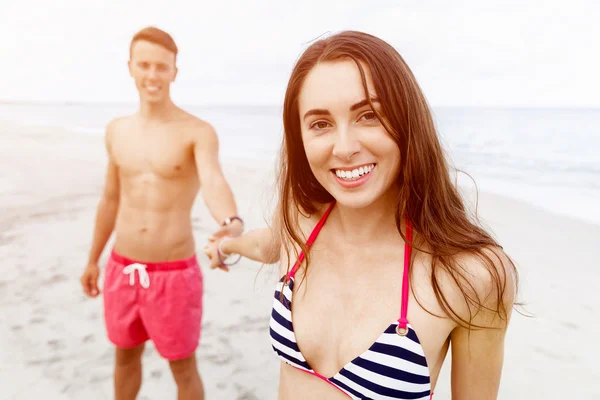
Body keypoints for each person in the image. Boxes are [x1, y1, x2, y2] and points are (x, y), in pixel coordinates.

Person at [205, 31, 518, 400]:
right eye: (320, 123)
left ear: (407, 120)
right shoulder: (300, 220)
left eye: (368, 115)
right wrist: (228, 245)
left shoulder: (473, 275)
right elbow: (268, 243)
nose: (345, 148)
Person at [79, 26, 243, 400]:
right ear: (131, 68)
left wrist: (230, 224)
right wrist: (93, 259)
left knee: (183, 367)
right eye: (145, 65)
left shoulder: (197, 131)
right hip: (122, 269)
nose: (152, 75)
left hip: (174, 274)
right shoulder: (117, 131)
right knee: (124, 357)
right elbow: (110, 198)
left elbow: (213, 181)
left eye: (161, 67)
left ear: (174, 72)